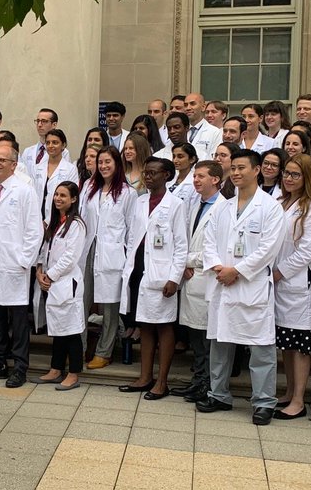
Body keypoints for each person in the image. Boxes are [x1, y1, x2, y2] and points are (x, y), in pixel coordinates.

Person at [197, 149, 285, 425]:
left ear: (257, 170)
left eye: (241, 168)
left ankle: (263, 402)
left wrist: (238, 270)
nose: (235, 173)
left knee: (260, 348)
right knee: (220, 343)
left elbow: (269, 249)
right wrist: (217, 267)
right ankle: (219, 394)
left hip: (251, 285)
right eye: (232, 168)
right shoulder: (223, 206)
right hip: (223, 283)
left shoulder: (270, 207)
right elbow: (208, 241)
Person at [0, 144, 44, 388]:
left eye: (3, 160)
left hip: (14, 265)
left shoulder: (24, 190)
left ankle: (20, 367)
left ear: (14, 164)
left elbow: (34, 231)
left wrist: (24, 261)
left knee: (18, 321)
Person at [118, 158, 188, 398]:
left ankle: (162, 381)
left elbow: (181, 245)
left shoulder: (176, 205)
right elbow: (132, 236)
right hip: (139, 271)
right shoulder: (139, 202)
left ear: (167, 175)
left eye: (153, 173)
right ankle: (145, 376)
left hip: (162, 274)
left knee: (164, 326)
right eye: (146, 173)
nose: (148, 177)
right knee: (145, 325)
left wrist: (174, 278)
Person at [272, 154, 311, 420]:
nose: (289, 178)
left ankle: (299, 400)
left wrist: (279, 273)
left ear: (307, 177)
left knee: (300, 343)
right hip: (276, 281)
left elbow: (307, 251)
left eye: (295, 174)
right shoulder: (279, 201)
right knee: (285, 342)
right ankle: (289, 391)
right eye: (286, 173)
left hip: (296, 282)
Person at [30, 181, 87, 390]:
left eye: (63, 195)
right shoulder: (54, 223)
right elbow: (45, 249)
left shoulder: (77, 225)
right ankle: (55, 369)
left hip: (65, 283)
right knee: (58, 329)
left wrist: (49, 276)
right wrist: (39, 269)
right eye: (56, 195)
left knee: (71, 330)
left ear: (73, 199)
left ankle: (73, 373)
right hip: (51, 283)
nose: (58, 199)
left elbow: (70, 258)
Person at [175, 161, 221, 403]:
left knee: (207, 339)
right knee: (196, 337)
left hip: (206, 278)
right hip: (192, 279)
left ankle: (208, 384)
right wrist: (184, 262)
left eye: (201, 176)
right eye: (194, 176)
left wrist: (187, 260)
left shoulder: (223, 207)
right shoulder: (196, 205)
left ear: (215, 179)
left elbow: (217, 250)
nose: (195, 180)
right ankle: (199, 380)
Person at [32, 128, 79, 223]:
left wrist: (49, 220)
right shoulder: (37, 168)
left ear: (63, 145)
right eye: (48, 142)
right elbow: (32, 195)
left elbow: (72, 196)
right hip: (37, 219)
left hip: (59, 219)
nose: (50, 146)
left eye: (55, 142)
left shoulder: (70, 169)